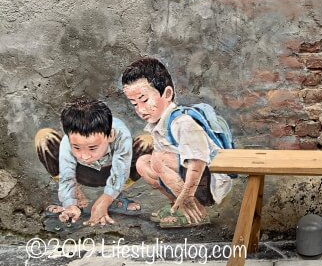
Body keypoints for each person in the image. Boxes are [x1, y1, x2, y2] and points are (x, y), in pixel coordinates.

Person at [121, 57, 233, 228]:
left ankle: (197, 211)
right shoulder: (158, 124)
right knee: (143, 163)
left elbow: (198, 162)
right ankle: (179, 207)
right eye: (134, 104)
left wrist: (187, 195)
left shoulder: (182, 122)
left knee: (158, 159)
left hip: (207, 181)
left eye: (144, 100)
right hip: (190, 178)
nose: (140, 109)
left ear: (167, 94)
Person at [35, 97, 152, 226]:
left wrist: (105, 200)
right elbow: (66, 177)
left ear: (110, 136)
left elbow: (120, 171)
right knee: (44, 137)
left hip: (113, 172)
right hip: (81, 173)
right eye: (77, 147)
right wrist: (70, 204)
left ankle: (115, 198)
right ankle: (76, 195)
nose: (84, 156)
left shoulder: (120, 134)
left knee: (147, 142)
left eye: (92, 148)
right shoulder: (68, 142)